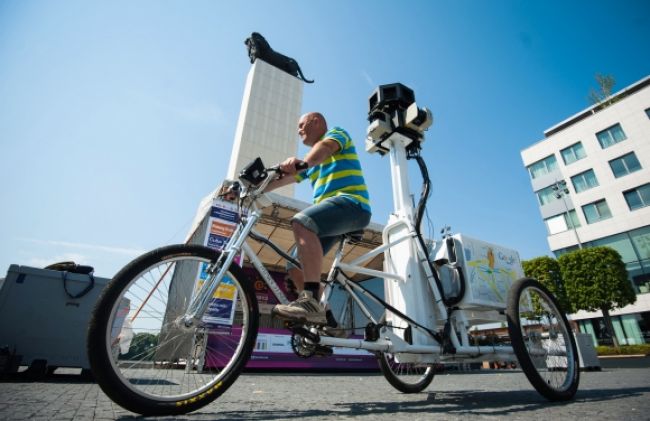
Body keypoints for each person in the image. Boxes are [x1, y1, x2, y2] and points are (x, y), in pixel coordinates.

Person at [265, 112, 371, 326]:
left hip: (353, 205)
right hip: (333, 214)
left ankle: (310, 300)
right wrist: (253, 190)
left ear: (316, 122)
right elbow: (285, 179)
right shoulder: (310, 161)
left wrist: (303, 162)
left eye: (302, 125)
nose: (298, 130)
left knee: (301, 221)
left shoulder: (336, 134)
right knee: (294, 265)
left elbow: (325, 149)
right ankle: (328, 323)